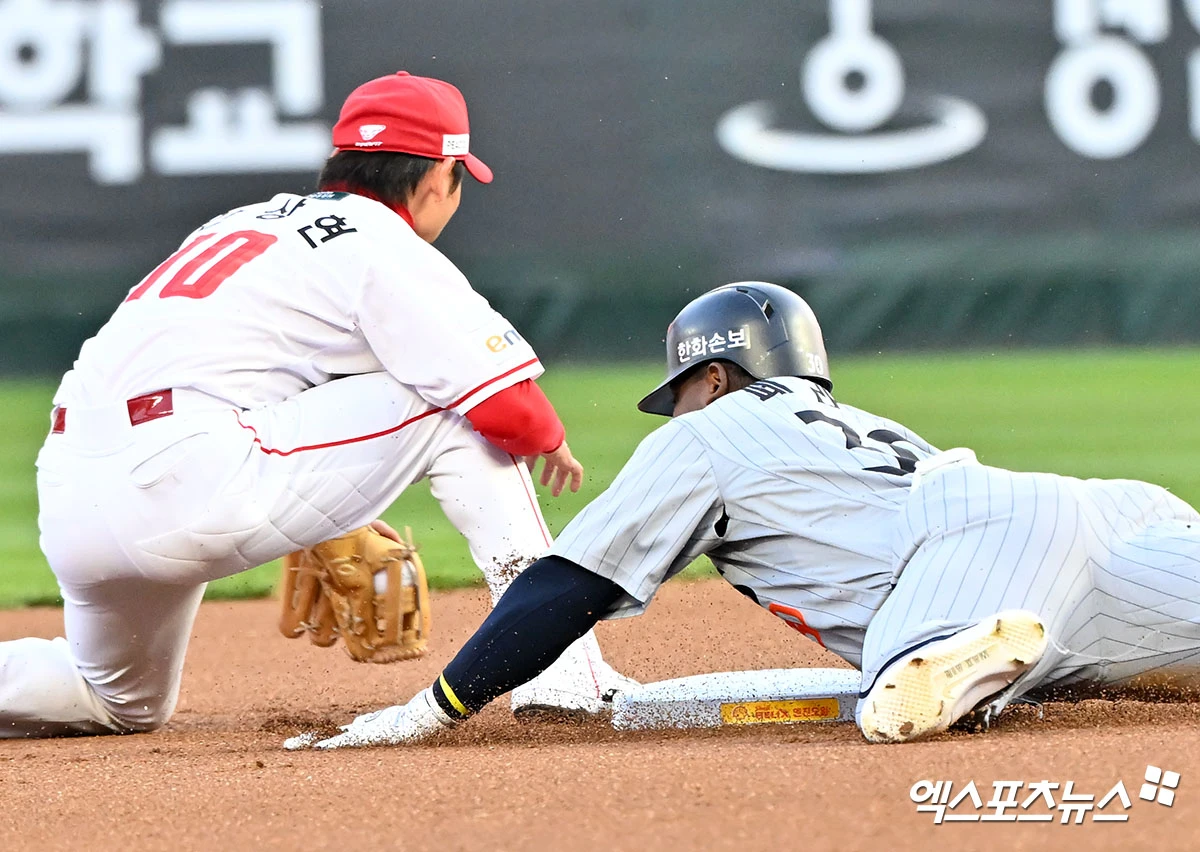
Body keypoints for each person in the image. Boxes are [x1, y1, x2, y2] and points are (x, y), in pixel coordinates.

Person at [287, 281, 1200, 749]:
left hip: (970, 565)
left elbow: (566, 587)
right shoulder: (854, 423)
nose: (674, 408)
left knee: (900, 705)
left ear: (715, 376)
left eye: (678, 388)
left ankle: (960, 657)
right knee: (1129, 642)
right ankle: (1039, 653)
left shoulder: (711, 432)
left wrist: (438, 706)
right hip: (1097, 513)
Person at [0, 71, 635, 738]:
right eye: (456, 180)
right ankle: (565, 673)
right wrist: (550, 438)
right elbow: (510, 409)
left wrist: (322, 517)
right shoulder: (379, 241)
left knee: (116, 701)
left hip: (74, 497)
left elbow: (266, 380)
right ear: (431, 181)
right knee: (454, 409)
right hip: (187, 476)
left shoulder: (238, 226)